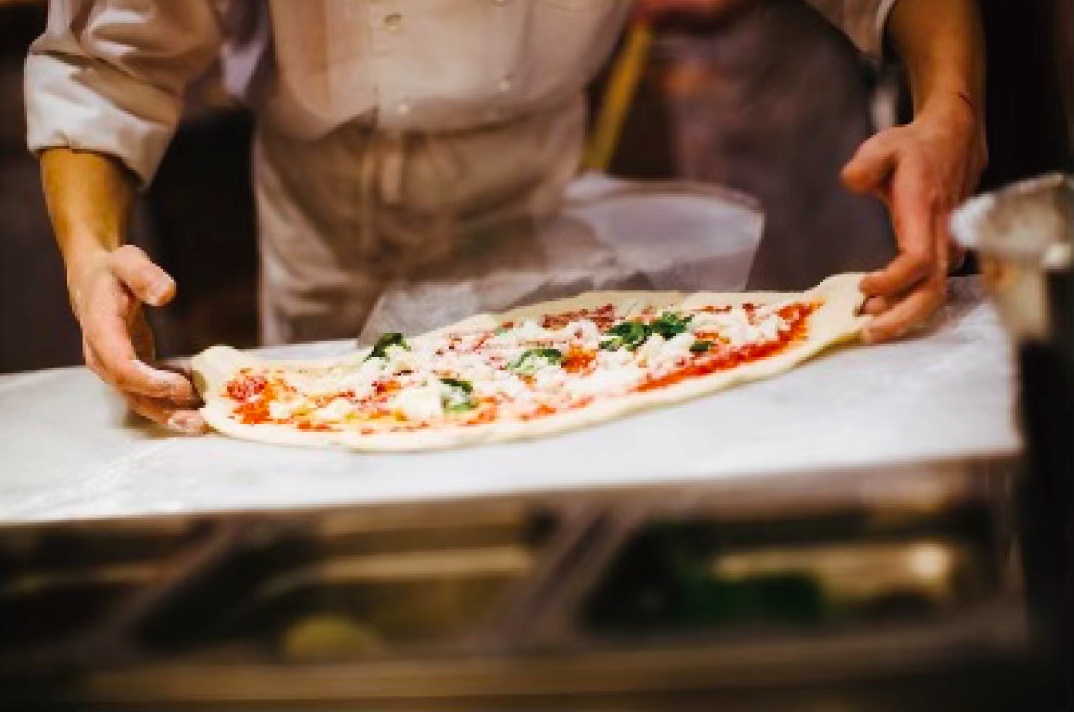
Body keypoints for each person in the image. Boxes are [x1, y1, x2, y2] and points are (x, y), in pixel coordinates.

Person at [25, 0, 986, 434]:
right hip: (329, 236)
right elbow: (104, 66)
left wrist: (949, 112)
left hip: (534, 220)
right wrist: (90, 253)